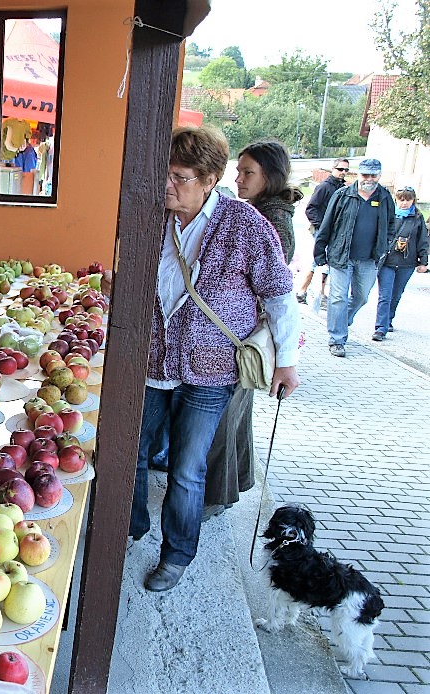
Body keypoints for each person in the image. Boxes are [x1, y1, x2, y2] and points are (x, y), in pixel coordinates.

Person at [129, 126, 300, 592]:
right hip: (154, 364)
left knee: (187, 468)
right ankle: (132, 525)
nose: (168, 185)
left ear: (209, 179)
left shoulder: (247, 226)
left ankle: (177, 554)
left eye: (179, 177)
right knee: (134, 452)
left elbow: (282, 297)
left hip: (211, 373)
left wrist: (286, 363)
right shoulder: (152, 218)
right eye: (164, 174)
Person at [202, 140, 303, 518]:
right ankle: (235, 484)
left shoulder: (270, 221)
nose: (239, 179)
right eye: (239, 170)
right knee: (236, 418)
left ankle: (216, 497)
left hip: (244, 337)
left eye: (249, 173)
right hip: (243, 334)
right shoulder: (262, 211)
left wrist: (287, 359)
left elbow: (276, 291)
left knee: (226, 420)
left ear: (269, 177)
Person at [314, 158, 395, 357]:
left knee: (361, 297)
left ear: (379, 176)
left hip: (369, 258)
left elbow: (392, 225)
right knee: (338, 297)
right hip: (341, 256)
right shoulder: (342, 195)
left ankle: (342, 320)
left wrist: (386, 247)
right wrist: (319, 251)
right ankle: (337, 339)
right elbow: (327, 224)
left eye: (373, 175)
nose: (369, 179)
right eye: (365, 175)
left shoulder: (384, 197)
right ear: (358, 175)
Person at [373, 187, 429, 340]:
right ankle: (380, 328)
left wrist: (423, 261)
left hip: (407, 263)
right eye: (401, 199)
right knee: (385, 295)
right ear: (396, 199)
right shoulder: (389, 214)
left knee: (396, 294)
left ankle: (388, 319)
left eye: (408, 199)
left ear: (413, 200)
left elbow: (423, 240)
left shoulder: (417, 217)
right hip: (387, 262)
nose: (404, 203)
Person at [297, 158, 350, 304]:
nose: (343, 172)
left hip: (336, 233)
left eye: (346, 170)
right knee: (316, 261)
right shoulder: (324, 187)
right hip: (321, 232)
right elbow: (311, 208)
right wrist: (321, 227)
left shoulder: (344, 189)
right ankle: (302, 291)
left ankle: (319, 293)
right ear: (333, 169)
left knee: (326, 263)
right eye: (340, 169)